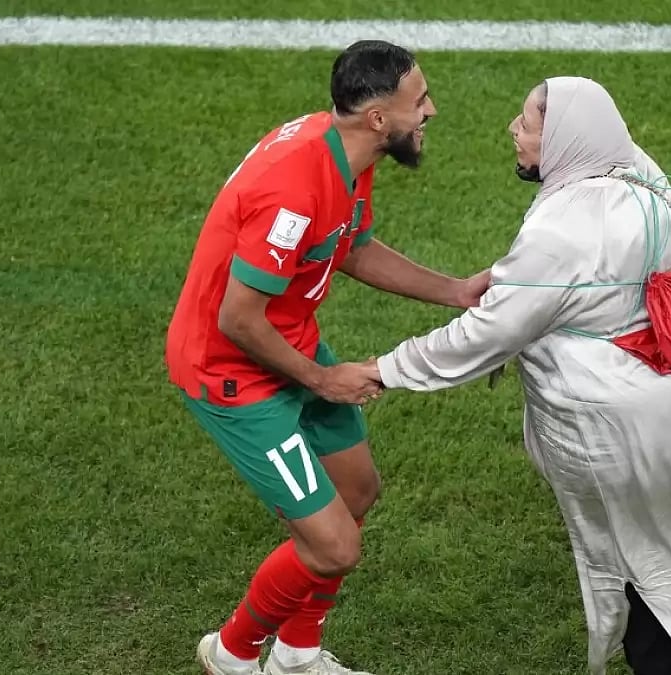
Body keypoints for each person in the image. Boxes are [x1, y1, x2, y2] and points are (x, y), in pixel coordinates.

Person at [365, 76, 671, 675]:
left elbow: (490, 332)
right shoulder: (639, 175)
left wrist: (382, 370)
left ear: (565, 144)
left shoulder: (562, 231)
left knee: (648, 570)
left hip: (629, 426)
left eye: (525, 125)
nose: (513, 132)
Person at [165, 40, 490, 675]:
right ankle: (230, 655)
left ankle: (296, 653)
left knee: (357, 489)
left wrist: (454, 291)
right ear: (377, 118)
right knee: (335, 546)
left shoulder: (344, 150)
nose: (431, 110)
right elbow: (237, 318)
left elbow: (353, 245)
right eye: (418, 101)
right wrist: (323, 379)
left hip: (288, 342)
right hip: (233, 371)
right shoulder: (293, 190)